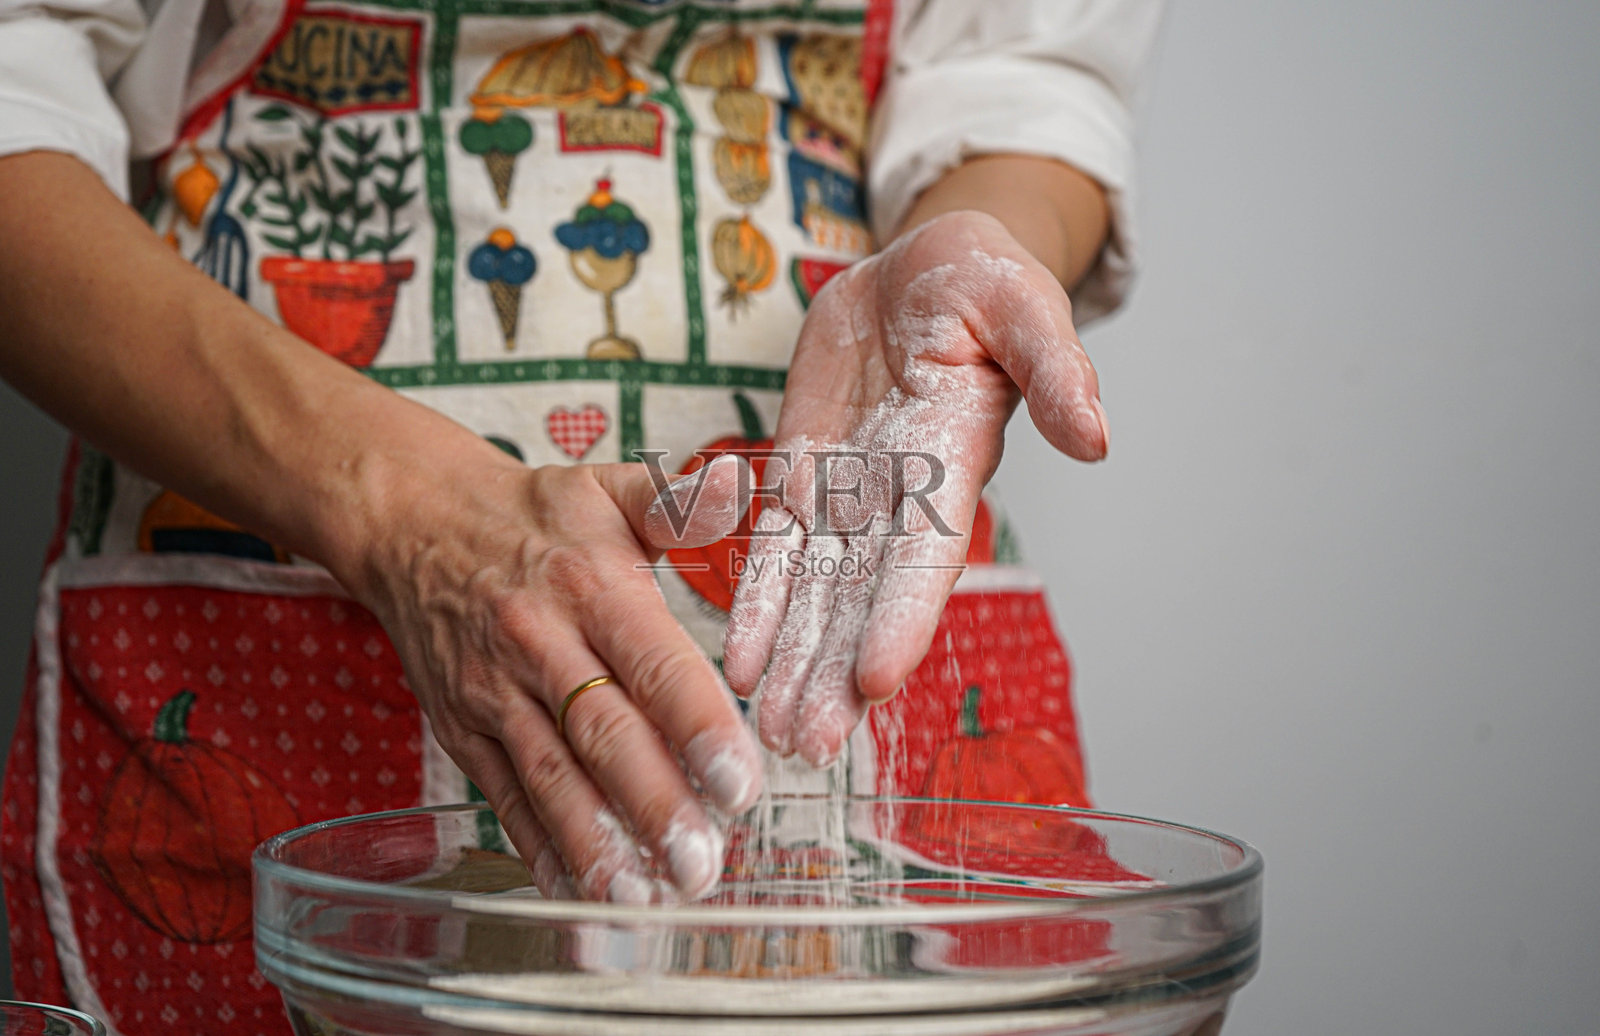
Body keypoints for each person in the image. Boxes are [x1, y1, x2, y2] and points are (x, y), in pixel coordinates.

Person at [0, 0, 1161, 1027]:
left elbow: (1024, 77)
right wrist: (394, 508)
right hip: (273, 559)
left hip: (841, 562)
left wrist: (968, 249)